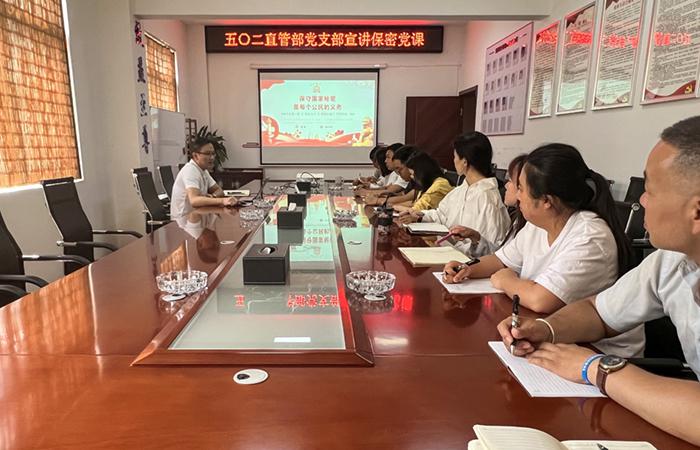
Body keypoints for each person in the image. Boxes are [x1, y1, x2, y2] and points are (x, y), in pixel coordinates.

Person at [497, 116, 700, 446]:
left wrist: (597, 368)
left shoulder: (592, 233)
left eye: (650, 191)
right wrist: (545, 329)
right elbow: (599, 312)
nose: (640, 202)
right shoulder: (672, 260)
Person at [444, 143, 640, 357]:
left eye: (521, 188)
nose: (517, 195)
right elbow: (501, 261)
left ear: (546, 201)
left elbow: (540, 300)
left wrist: (505, 280)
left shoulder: (590, 236)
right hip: (554, 336)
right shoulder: (538, 224)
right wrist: (467, 268)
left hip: (600, 355)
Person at [398, 132, 510, 256]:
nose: (454, 161)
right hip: (448, 253)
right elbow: (442, 214)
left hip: (466, 261)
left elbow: (491, 249)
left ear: (465, 161)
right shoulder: (462, 189)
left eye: (455, 156)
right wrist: (419, 215)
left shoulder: (488, 197)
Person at [448, 154, 527, 256]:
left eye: (511, 181)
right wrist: (475, 237)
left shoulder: (487, 196)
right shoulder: (518, 221)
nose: (506, 185)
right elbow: (501, 254)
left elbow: (501, 257)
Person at [170, 137, 237, 218]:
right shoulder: (190, 170)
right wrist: (222, 201)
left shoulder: (203, 170)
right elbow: (194, 200)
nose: (212, 157)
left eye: (213, 153)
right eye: (208, 154)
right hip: (183, 219)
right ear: (195, 156)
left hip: (198, 214)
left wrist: (212, 197)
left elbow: (218, 190)